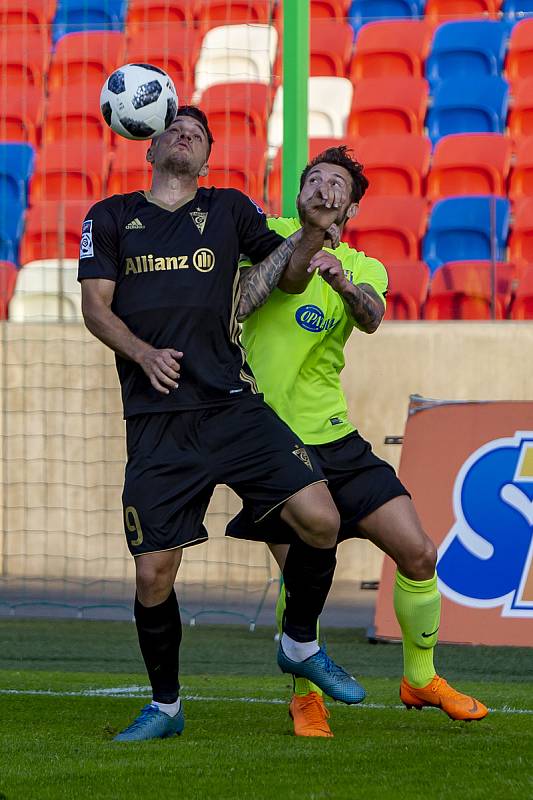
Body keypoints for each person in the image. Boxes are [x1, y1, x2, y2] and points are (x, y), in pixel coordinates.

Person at [78, 108, 366, 742]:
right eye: (175, 128)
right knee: (153, 572)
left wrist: (314, 234)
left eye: (199, 134)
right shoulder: (107, 216)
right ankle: (166, 706)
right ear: (148, 145)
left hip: (233, 406)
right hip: (157, 422)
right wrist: (144, 353)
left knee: (322, 518)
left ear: (206, 158)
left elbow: (288, 278)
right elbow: (95, 309)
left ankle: (297, 643)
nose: (186, 135)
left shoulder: (231, 208)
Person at [227, 145, 488, 738]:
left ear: (353, 204)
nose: (322, 187)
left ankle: (419, 678)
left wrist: (342, 281)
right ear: (298, 195)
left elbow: (371, 316)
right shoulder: (270, 235)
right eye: (312, 179)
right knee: (302, 578)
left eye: (335, 183)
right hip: (270, 440)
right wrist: (303, 247)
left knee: (419, 552)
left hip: (336, 437)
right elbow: (243, 291)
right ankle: (305, 696)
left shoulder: (366, 267)